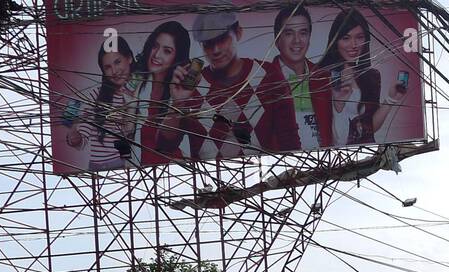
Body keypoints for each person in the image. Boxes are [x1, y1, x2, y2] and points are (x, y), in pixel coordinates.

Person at [174, 10, 298, 159]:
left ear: (238, 32)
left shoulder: (268, 75)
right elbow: (165, 146)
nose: (216, 50)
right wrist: (178, 103)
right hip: (209, 181)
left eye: (222, 39)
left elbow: (290, 142)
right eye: (208, 44)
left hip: (264, 180)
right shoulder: (193, 85)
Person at [319, 7, 409, 146]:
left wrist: (391, 99)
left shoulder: (371, 76)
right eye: (346, 38)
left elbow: (370, 127)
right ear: (335, 40)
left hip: (361, 152)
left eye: (359, 37)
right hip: (327, 155)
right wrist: (338, 104)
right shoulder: (320, 75)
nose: (353, 45)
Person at [134, 21, 207, 163]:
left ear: (177, 58)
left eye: (167, 51)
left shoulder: (185, 93)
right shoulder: (136, 83)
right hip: (141, 174)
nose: (156, 54)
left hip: (174, 175)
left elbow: (165, 144)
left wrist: (177, 103)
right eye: (155, 46)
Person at [61, 36, 138, 171]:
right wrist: (74, 136)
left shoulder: (143, 88)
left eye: (118, 62)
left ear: (129, 58)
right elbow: (81, 139)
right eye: (108, 67)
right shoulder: (96, 95)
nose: (114, 71)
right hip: (97, 166)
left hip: (127, 164)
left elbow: (133, 133)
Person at [267, 3, 334, 150]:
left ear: (309, 37)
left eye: (303, 33)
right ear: (277, 39)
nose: (297, 40)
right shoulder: (264, 80)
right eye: (289, 33)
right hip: (282, 165)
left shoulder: (323, 77)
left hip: (322, 163)